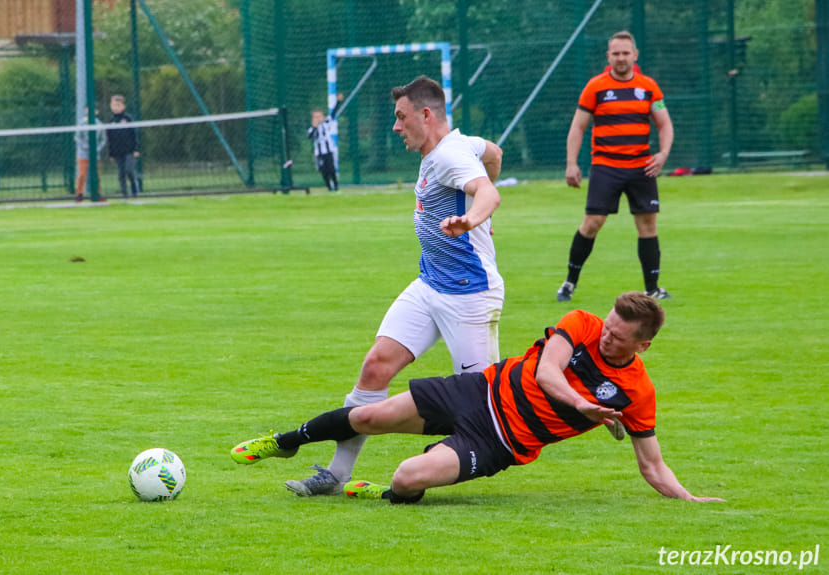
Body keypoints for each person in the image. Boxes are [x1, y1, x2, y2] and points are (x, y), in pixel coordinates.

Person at [231, 292, 724, 505]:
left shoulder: (637, 393)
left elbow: (652, 466)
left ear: (643, 346)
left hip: (500, 443)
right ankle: (289, 440)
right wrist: (581, 405)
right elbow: (550, 371)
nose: (605, 339)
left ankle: (382, 493)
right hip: (479, 390)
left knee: (407, 478)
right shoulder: (582, 324)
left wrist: (691, 499)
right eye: (608, 328)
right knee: (370, 415)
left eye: (618, 339)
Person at [277, 75, 505, 497]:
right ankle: (335, 474)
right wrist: (481, 218)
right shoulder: (458, 143)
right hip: (429, 284)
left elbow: (487, 191)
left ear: (425, 114)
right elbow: (495, 153)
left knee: (482, 407)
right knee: (375, 366)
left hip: (470, 296)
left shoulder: (451, 156)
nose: (396, 127)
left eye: (401, 117)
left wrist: (475, 220)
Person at [557, 31, 674, 303]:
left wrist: (663, 154)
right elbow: (578, 126)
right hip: (606, 166)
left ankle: (652, 289)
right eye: (616, 53)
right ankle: (569, 283)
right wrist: (572, 163)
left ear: (635, 55)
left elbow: (664, 123)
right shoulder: (595, 87)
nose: (621, 58)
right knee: (592, 223)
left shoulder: (649, 87)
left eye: (625, 53)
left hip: (641, 167)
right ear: (608, 56)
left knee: (647, 225)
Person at [107, 94, 140, 198]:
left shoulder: (128, 118)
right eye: (113, 105)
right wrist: (111, 153)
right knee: (121, 174)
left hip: (129, 150)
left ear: (123, 106)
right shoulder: (111, 122)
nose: (116, 107)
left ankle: (134, 188)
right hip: (118, 152)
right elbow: (110, 139)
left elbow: (134, 134)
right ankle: (125, 194)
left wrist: (136, 149)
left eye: (118, 105)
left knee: (129, 170)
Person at [74, 106, 106, 202]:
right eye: (88, 109)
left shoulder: (99, 124)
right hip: (83, 154)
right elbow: (77, 138)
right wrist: (85, 147)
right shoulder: (81, 124)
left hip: (95, 154)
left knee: (96, 175)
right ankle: (79, 194)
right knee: (82, 174)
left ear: (97, 112)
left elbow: (103, 139)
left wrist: (97, 149)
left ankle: (98, 194)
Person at [308, 109, 339, 191]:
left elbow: (333, 113)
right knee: (323, 170)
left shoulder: (326, 123)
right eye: (316, 117)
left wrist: (338, 101)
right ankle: (328, 186)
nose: (318, 119)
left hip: (328, 151)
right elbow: (310, 136)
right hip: (319, 153)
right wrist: (315, 126)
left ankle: (336, 185)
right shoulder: (312, 129)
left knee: (331, 168)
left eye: (319, 116)